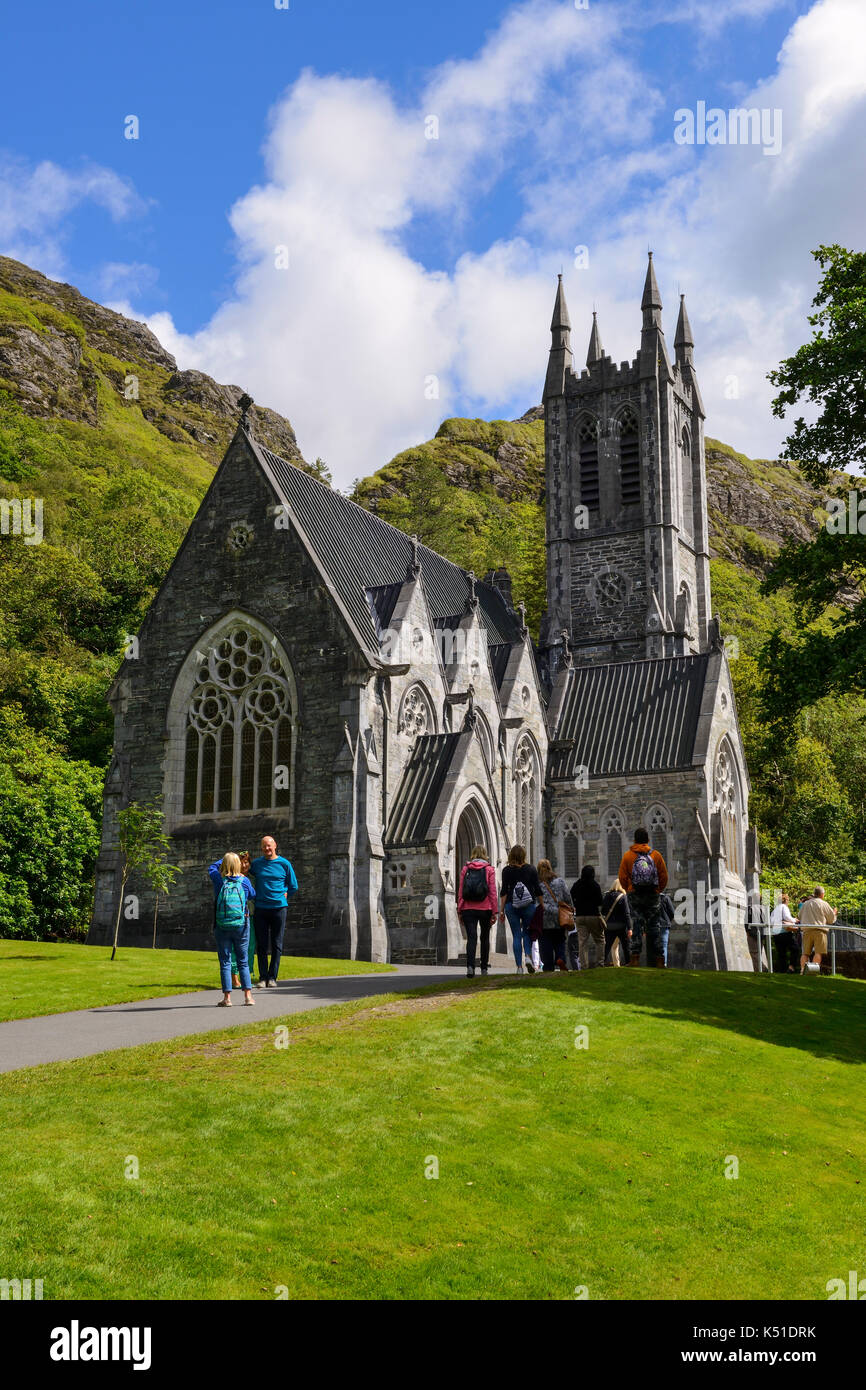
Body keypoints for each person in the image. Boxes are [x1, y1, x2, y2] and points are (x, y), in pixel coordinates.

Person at [247, 836, 298, 988]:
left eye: (269, 845)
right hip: (261, 909)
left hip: (279, 909)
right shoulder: (256, 864)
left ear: (275, 845)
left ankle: (272, 977)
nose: (267, 848)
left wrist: (286, 893)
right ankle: (263, 978)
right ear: (261, 848)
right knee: (261, 945)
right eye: (264, 846)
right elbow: (245, 872)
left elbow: (293, 885)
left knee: (277, 944)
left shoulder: (284, 864)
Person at [207, 852, 255, 1006]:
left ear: (224, 865)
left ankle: (227, 998)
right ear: (238, 864)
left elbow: (211, 867)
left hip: (222, 926)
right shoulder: (244, 881)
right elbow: (252, 895)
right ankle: (248, 996)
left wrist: (226, 858)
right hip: (241, 925)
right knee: (243, 961)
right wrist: (236, 859)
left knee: (225, 962)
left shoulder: (218, 880)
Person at [619, 828, 668, 966]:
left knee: (637, 925)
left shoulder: (628, 856)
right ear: (647, 840)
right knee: (654, 926)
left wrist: (629, 889)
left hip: (635, 894)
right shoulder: (656, 856)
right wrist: (658, 890)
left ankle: (635, 958)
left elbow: (622, 877)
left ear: (634, 840)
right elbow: (663, 876)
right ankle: (659, 959)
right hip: (653, 894)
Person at [500, 845, 543, 974]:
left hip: (511, 906)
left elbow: (504, 892)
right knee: (527, 933)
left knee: (516, 935)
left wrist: (501, 910)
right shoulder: (531, 869)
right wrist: (542, 905)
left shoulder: (506, 870)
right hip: (528, 906)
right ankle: (528, 957)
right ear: (524, 855)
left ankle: (519, 967)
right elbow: (537, 889)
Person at [458, 845, 498, 977]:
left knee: (471, 938)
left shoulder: (465, 869)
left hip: (468, 908)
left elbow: (461, 891)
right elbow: (492, 892)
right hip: (485, 909)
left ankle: (470, 967)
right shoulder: (489, 869)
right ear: (485, 855)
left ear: (473, 854)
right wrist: (495, 911)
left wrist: (459, 909)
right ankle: (484, 968)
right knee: (485, 937)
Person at [538, 860, 574, 972]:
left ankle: (548, 966)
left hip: (544, 919)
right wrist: (571, 909)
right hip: (559, 917)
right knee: (560, 941)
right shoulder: (560, 882)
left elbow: (535, 902)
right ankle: (560, 959)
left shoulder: (538, 884)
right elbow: (568, 898)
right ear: (550, 868)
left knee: (545, 943)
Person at [570, 864, 605, 970]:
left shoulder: (577, 884)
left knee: (582, 942)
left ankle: (584, 966)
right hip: (593, 915)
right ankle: (599, 964)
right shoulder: (595, 885)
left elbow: (571, 896)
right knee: (600, 940)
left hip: (580, 916)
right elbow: (600, 901)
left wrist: (576, 905)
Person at [799, 886, 837, 974]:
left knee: (805, 953)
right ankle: (813, 971)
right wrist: (834, 913)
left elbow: (800, 916)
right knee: (818, 952)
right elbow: (831, 919)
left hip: (807, 930)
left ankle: (802, 971)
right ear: (822, 894)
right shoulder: (823, 903)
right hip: (819, 930)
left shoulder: (805, 904)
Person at [600, 877, 631, 966]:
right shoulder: (623, 897)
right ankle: (628, 962)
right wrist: (629, 928)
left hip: (609, 926)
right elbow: (627, 913)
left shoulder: (607, 896)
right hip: (621, 926)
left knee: (607, 947)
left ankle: (601, 963)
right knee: (626, 946)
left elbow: (603, 911)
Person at [769, 892, 799, 973]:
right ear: (786, 900)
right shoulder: (783, 907)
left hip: (776, 933)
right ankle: (791, 967)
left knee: (781, 953)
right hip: (785, 932)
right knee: (795, 949)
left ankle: (782, 970)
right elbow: (787, 917)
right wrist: (794, 920)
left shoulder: (774, 910)